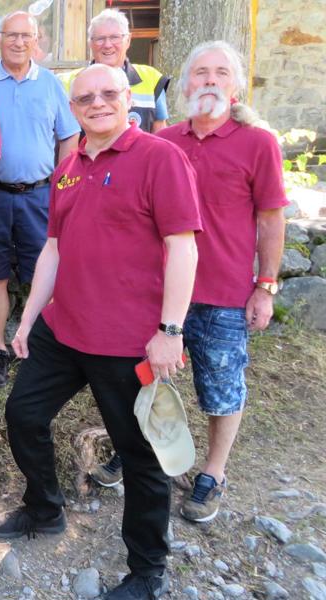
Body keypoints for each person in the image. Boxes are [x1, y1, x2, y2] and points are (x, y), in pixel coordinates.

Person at [0, 64, 201, 600]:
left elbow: (183, 246)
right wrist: (30, 317)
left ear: (128, 98)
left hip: (130, 341)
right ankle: (44, 508)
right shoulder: (69, 169)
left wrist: (170, 330)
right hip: (64, 331)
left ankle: (147, 572)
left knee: (140, 454)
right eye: (85, 98)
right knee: (23, 414)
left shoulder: (160, 158)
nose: (97, 103)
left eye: (108, 94)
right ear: (73, 108)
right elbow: (54, 250)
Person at [147, 42, 285, 523]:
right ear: (184, 85)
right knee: (144, 380)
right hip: (160, 294)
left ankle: (213, 471)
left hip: (224, 294)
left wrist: (265, 286)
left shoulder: (258, 143)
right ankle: (140, 453)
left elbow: (270, 220)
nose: (209, 81)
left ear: (236, 85)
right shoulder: (164, 143)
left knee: (221, 388)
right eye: (200, 73)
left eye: (220, 73)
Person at [0, 11, 80, 388]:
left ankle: (43, 351)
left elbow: (69, 136)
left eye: (25, 36)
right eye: (11, 35)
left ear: (36, 41)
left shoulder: (50, 85)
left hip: (40, 195)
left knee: (45, 274)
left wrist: (62, 184)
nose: (18, 42)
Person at [61, 9, 169, 133]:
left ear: (128, 40)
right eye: (100, 39)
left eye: (115, 37)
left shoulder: (152, 78)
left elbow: (160, 133)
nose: (107, 45)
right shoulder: (67, 82)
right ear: (90, 43)